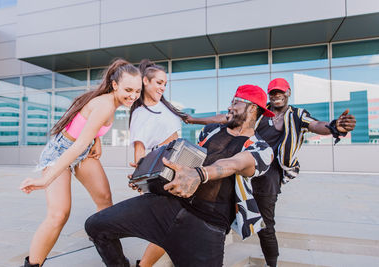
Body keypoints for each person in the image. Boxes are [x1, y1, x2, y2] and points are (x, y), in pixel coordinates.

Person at [85, 84, 275, 267]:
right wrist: (148, 173)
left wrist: (199, 174)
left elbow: (233, 164)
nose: (229, 106)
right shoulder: (211, 131)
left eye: (235, 102)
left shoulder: (261, 149)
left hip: (208, 226)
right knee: (96, 226)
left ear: (251, 108)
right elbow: (186, 161)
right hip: (170, 205)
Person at [185, 78, 357, 267]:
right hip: (243, 169)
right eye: (273, 92)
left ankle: (271, 263)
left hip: (269, 177)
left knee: (266, 225)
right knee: (224, 211)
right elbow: (225, 118)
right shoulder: (258, 111)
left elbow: (316, 125)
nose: (276, 96)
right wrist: (193, 120)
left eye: (280, 92)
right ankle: (208, 254)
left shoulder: (297, 115)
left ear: (288, 93)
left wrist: (334, 127)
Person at [19, 59, 142, 267]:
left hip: (82, 151)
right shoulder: (105, 104)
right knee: (59, 215)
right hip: (61, 152)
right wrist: (46, 179)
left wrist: (97, 140)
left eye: (137, 91)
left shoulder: (111, 102)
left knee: (105, 201)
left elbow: (86, 125)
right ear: (115, 85)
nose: (133, 96)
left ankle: (117, 262)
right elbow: (75, 147)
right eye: (128, 89)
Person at [129, 59, 187, 267]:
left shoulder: (165, 106)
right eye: (159, 83)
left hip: (179, 167)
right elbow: (139, 148)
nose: (162, 87)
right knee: (170, 224)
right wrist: (139, 176)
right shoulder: (140, 113)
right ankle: (144, 265)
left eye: (165, 84)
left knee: (176, 221)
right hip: (161, 171)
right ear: (145, 81)